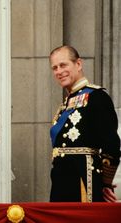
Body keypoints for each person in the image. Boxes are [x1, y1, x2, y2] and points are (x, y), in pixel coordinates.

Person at [49, 45, 121, 202]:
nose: (59, 71)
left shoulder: (97, 97)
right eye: (54, 68)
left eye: (63, 65)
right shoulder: (65, 104)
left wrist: (105, 183)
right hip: (61, 181)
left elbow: (112, 145)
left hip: (84, 179)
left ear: (78, 64)